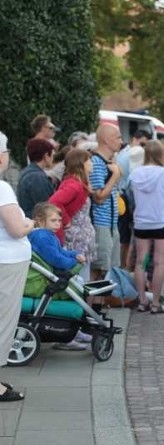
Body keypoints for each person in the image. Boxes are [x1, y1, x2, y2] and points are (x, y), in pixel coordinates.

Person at [0, 131, 33, 402]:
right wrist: (31, 222)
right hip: (6, 262)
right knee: (3, 322)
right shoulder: (1, 188)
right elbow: (16, 229)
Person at [131, 141, 164, 314]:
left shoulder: (136, 173)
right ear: (161, 154)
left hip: (142, 222)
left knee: (141, 262)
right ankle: (156, 302)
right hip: (162, 222)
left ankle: (142, 300)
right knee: (159, 262)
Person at [49, 149, 97, 283]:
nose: (92, 163)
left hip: (80, 237)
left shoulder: (76, 183)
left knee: (81, 275)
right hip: (75, 238)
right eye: (89, 160)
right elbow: (54, 202)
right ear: (81, 163)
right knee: (79, 277)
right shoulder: (74, 185)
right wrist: (66, 220)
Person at [89, 124, 124, 280]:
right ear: (106, 140)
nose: (121, 141)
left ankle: (99, 303)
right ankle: (93, 304)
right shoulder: (96, 162)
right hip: (100, 223)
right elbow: (99, 197)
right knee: (98, 270)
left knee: (107, 270)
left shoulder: (107, 162)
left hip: (110, 223)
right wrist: (115, 176)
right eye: (118, 137)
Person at [115, 130, 151, 269]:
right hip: (131, 199)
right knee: (136, 239)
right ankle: (135, 268)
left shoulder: (123, 153)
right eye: (142, 143)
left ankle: (124, 267)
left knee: (126, 238)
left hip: (124, 198)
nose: (143, 147)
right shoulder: (131, 155)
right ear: (134, 139)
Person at [28, 202, 85, 270]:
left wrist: (75, 255)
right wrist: (75, 262)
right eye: (53, 220)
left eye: (59, 220)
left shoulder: (47, 234)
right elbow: (56, 259)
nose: (58, 224)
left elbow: (60, 252)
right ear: (40, 221)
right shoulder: (43, 238)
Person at [17, 138, 56, 218]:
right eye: (52, 155)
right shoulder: (37, 177)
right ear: (46, 156)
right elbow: (46, 208)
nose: (53, 159)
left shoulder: (28, 172)